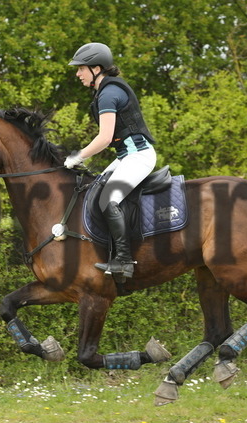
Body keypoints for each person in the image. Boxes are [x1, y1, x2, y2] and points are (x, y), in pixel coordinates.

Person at [64, 42, 157, 278]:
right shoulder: (105, 91)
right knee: (95, 190)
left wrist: (78, 155)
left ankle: (124, 261)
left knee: (108, 200)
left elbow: (104, 138)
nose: (77, 74)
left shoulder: (109, 94)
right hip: (126, 157)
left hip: (139, 157)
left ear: (96, 68)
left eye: (81, 69)